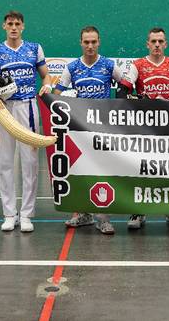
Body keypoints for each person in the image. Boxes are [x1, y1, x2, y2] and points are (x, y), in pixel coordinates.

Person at [0, 10, 52, 232]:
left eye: (17, 24)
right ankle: (9, 214)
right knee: (5, 162)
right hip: (3, 109)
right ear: (4, 26)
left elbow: (45, 75)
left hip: (28, 107)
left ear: (23, 26)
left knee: (30, 162)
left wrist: (47, 85)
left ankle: (27, 214)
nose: (13, 27)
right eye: (10, 24)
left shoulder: (34, 48)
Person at [54, 26, 124, 235]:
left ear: (99, 42)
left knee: (102, 172)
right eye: (86, 42)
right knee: (81, 172)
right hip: (79, 131)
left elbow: (125, 87)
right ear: (81, 43)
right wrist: (59, 95)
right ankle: (84, 215)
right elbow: (57, 93)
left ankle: (103, 219)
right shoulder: (72, 68)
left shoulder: (109, 65)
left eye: (93, 42)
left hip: (103, 129)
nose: (90, 46)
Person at [117, 27, 169, 230]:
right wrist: (137, 101)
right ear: (147, 44)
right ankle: (138, 211)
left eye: (160, 41)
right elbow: (123, 91)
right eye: (153, 41)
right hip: (145, 128)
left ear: (166, 44)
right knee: (142, 168)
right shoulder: (137, 65)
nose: (157, 45)